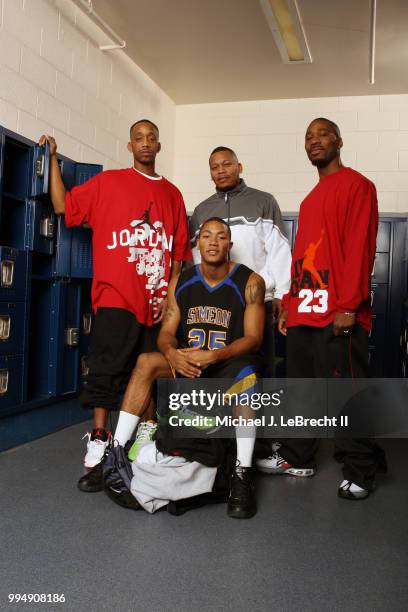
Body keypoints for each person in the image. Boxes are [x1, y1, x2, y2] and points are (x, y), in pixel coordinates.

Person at [79, 217, 266, 519]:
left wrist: (215, 357)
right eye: (207, 236)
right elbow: (166, 333)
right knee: (146, 361)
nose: (214, 242)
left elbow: (254, 339)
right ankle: (114, 455)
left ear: (230, 245)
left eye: (221, 237)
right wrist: (172, 353)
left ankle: (242, 475)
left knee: (248, 375)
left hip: (225, 363)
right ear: (198, 243)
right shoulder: (182, 281)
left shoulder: (251, 281)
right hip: (187, 362)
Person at [39, 120, 191, 474]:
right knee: (106, 368)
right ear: (129, 146)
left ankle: (146, 437)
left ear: (159, 145)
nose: (146, 143)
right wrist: (53, 161)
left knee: (152, 369)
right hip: (115, 295)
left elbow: (179, 258)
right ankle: (99, 435)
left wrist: (169, 300)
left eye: (152, 138)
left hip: (155, 302)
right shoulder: (109, 183)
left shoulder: (172, 194)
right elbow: (63, 206)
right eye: (139, 138)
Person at [257, 117, 387, 499]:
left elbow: (359, 247)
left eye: (322, 134)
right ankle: (299, 454)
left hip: (337, 312)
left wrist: (348, 305)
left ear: (339, 141)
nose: (314, 141)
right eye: (308, 136)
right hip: (304, 312)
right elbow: (303, 259)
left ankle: (361, 467)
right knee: (303, 391)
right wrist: (289, 306)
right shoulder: (310, 198)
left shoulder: (358, 186)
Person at [189, 146, 291, 377]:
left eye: (226, 164)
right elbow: (197, 256)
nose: (221, 171)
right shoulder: (202, 210)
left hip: (258, 298)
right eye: (214, 167)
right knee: (220, 366)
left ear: (239, 167)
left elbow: (279, 249)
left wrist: (281, 294)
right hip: (217, 301)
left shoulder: (263, 201)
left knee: (258, 366)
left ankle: (260, 413)